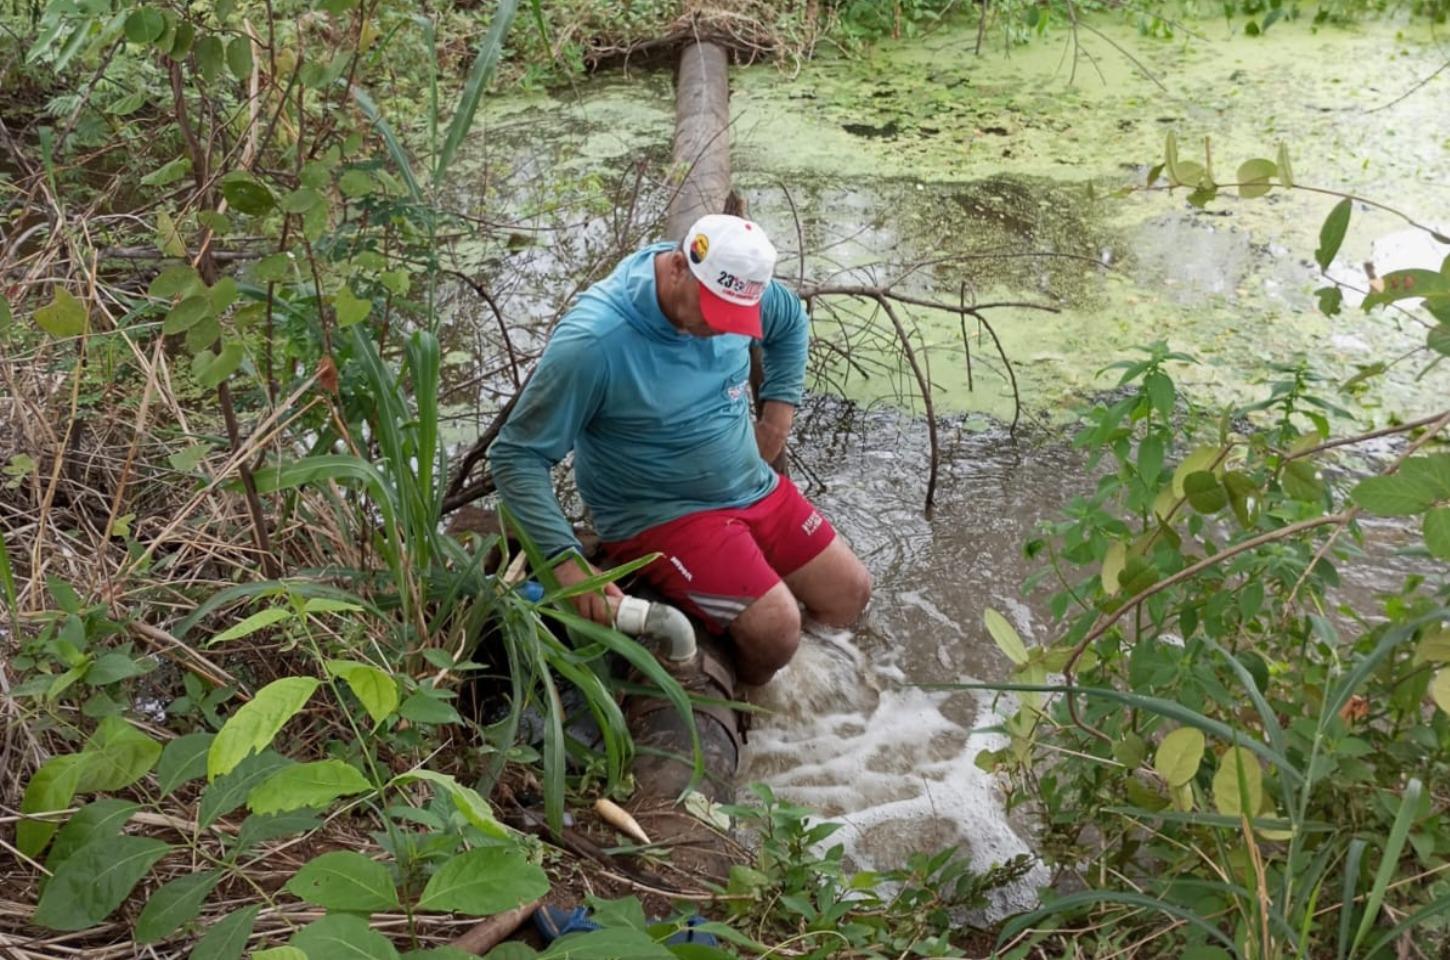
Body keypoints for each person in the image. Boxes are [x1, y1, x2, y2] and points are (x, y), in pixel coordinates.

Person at [489, 214, 871, 685]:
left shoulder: (737, 287)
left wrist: (776, 419)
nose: (720, 328)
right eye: (712, 313)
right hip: (663, 514)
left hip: (751, 484)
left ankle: (802, 689)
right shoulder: (594, 342)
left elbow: (790, 321)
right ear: (676, 269)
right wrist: (564, 563)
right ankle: (753, 705)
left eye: (734, 318)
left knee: (850, 592)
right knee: (777, 628)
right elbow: (517, 456)